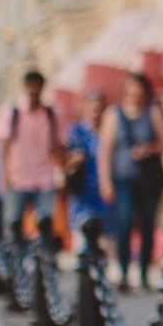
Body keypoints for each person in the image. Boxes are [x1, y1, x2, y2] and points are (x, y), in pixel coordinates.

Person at [99, 71, 163, 289]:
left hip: (148, 180)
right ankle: (123, 271)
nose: (135, 97)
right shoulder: (113, 114)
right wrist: (105, 181)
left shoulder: (152, 111)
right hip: (122, 178)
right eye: (131, 92)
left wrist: (148, 149)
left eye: (139, 93)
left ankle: (144, 272)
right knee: (125, 223)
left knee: (148, 226)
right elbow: (105, 150)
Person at [0, 71, 62, 242]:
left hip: (44, 178)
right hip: (17, 179)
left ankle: (43, 262)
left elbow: (57, 146)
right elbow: (2, 149)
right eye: (30, 87)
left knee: (45, 224)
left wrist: (59, 171)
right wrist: (4, 177)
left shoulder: (51, 115)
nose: (33, 91)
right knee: (14, 226)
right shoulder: (11, 112)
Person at [64, 88, 108, 235]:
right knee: (82, 232)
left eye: (99, 109)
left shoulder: (108, 131)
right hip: (83, 193)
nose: (96, 112)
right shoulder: (76, 131)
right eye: (93, 108)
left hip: (103, 194)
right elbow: (67, 161)